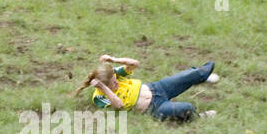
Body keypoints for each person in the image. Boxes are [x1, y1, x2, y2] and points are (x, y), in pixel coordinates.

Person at [75, 54, 219, 122]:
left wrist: (114, 60)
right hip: (155, 107)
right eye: (113, 84)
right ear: (102, 86)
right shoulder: (99, 98)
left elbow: (134, 63)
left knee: (187, 76)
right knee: (186, 107)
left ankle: (202, 75)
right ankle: (199, 117)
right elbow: (118, 105)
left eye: (115, 79)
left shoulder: (115, 75)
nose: (116, 83)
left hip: (157, 88)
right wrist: (103, 88)